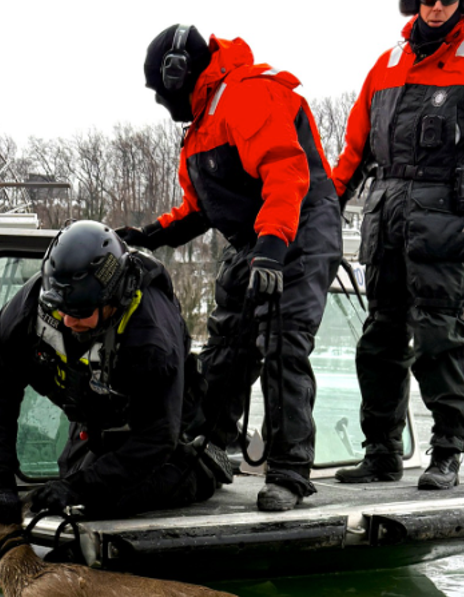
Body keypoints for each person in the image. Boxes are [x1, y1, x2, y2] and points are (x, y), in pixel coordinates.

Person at [118, 26, 342, 513]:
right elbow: (198, 209)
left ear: (178, 73)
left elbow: (286, 172)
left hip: (299, 226)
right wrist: (149, 233)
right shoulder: (201, 127)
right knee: (226, 348)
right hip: (253, 239)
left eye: (160, 90)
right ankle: (205, 450)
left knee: (282, 343)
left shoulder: (248, 95)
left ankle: (289, 471)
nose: (160, 101)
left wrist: (272, 249)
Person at [331, 0, 464, 489]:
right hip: (385, 214)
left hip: (445, 215)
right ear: (414, 0)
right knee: (379, 341)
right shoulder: (386, 64)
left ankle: (446, 452)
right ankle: (381, 452)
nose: (436, 6)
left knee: (440, 337)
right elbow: (354, 149)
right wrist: (325, 206)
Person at [0, 220, 232, 527]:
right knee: (66, 486)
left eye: (81, 311)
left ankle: (202, 465)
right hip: (95, 410)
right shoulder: (28, 311)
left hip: (156, 422)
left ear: (113, 300)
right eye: (59, 308)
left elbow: (155, 437)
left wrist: (80, 488)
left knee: (108, 500)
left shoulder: (152, 339)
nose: (68, 321)